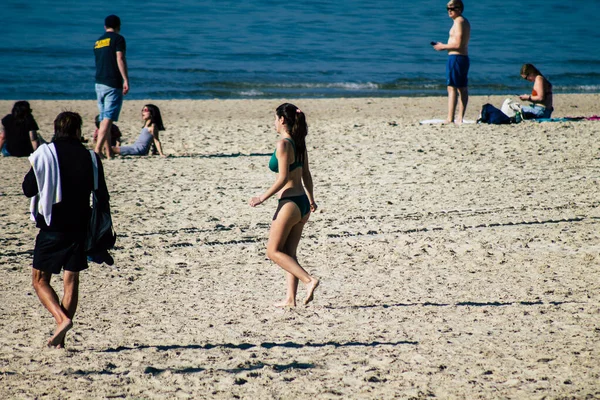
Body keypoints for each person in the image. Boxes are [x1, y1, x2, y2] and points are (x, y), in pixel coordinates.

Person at [22, 111, 109, 349]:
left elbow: (28, 189)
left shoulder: (44, 154)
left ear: (56, 129)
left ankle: (62, 320)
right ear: (78, 130)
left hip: (53, 226)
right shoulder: (90, 157)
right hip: (80, 226)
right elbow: (101, 195)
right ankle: (61, 341)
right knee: (71, 281)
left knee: (40, 280)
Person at [249, 103, 319, 307]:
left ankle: (309, 280)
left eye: (274, 118)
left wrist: (261, 197)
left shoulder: (284, 144)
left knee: (272, 252)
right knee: (289, 253)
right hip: (303, 203)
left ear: (282, 120)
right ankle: (290, 299)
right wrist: (312, 199)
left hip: (289, 203)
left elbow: (282, 178)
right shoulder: (300, 143)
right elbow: (306, 174)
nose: (274, 122)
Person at [94, 14, 129, 159]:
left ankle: (108, 153)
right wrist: (125, 79)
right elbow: (119, 58)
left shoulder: (98, 41)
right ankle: (97, 150)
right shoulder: (118, 39)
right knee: (108, 119)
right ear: (119, 26)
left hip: (99, 82)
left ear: (105, 26)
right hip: (112, 82)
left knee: (104, 120)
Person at [433, 0, 471, 124]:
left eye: (452, 8)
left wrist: (442, 46)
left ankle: (452, 118)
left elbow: (458, 44)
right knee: (460, 87)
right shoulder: (461, 21)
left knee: (453, 87)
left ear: (459, 9)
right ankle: (458, 117)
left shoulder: (459, 21)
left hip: (457, 57)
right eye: (448, 8)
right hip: (461, 58)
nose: (449, 10)